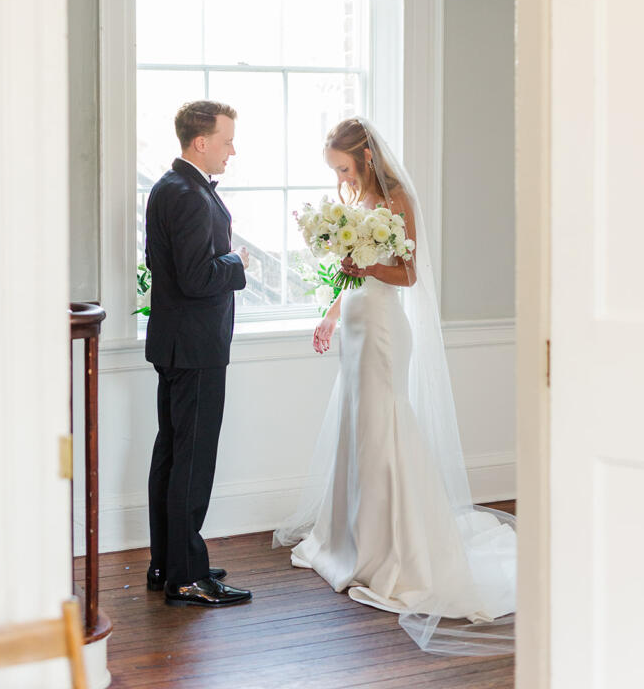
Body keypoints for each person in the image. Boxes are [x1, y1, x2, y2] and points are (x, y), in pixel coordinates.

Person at [274, 117, 516, 654]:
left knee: (384, 426)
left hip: (383, 328)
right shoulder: (357, 202)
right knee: (357, 429)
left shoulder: (397, 198)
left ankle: (394, 548)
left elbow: (405, 275)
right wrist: (331, 315)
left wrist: (363, 264)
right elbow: (352, 271)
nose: (340, 177)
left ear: (364, 158)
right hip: (356, 324)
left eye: (343, 167)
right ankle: (353, 538)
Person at [145, 100, 253, 607]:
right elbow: (196, 278)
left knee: (171, 453)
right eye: (227, 140)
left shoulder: (171, 187)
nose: (233, 150)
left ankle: (169, 561)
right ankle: (187, 577)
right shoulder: (187, 195)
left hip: (177, 343)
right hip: (196, 347)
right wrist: (236, 262)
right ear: (201, 142)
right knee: (191, 459)